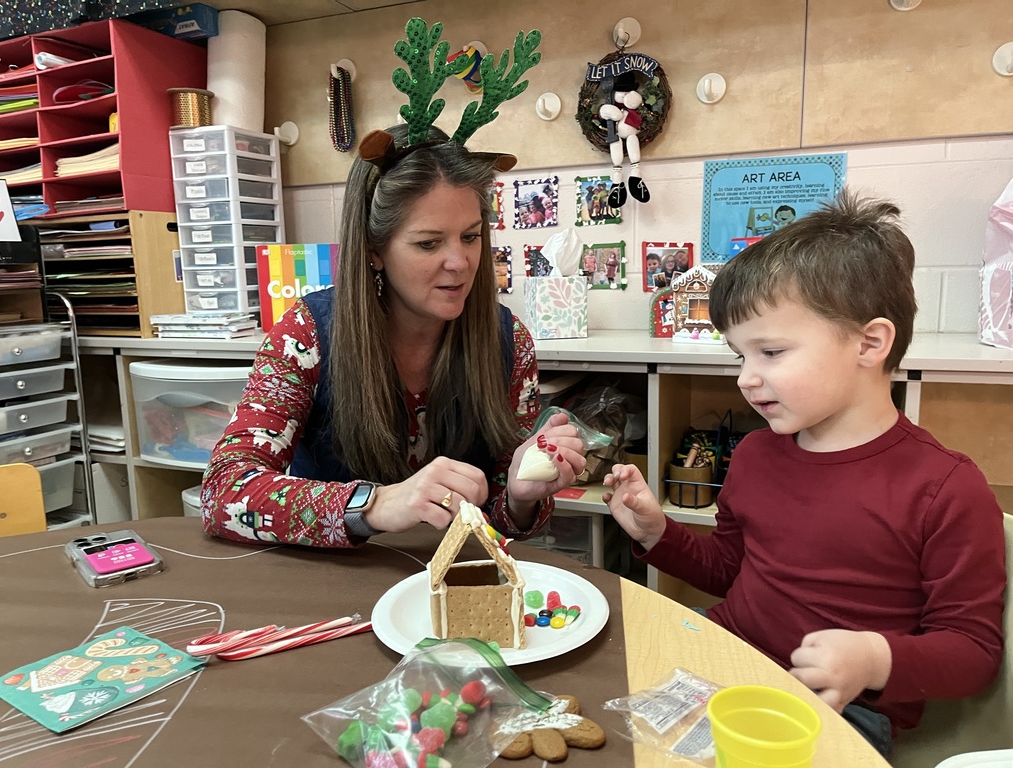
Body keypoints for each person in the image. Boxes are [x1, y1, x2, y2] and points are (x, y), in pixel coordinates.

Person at [602, 190, 1005, 756]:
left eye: (770, 352)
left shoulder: (945, 489)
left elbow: (973, 652)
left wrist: (873, 659)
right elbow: (732, 572)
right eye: (739, 356)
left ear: (870, 342)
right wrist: (655, 534)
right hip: (725, 659)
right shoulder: (757, 455)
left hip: (838, 711)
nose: (745, 377)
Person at [201, 123, 587, 548]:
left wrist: (519, 497)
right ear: (373, 249)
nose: (459, 262)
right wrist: (376, 504)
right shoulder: (307, 335)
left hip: (454, 582)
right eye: (428, 244)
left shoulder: (508, 339)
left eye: (471, 236)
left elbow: (505, 522)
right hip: (344, 584)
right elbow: (224, 492)